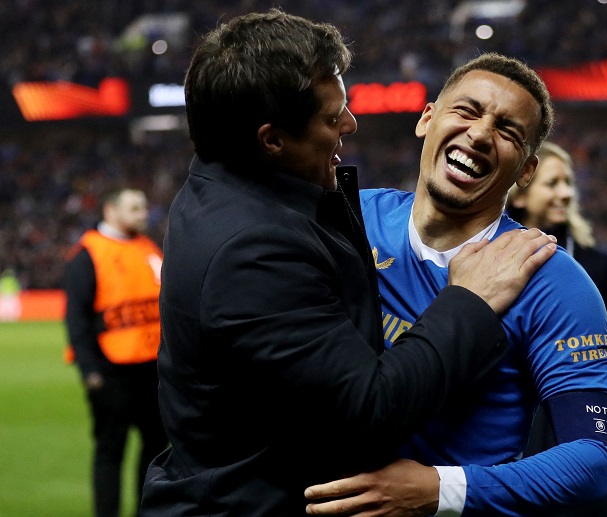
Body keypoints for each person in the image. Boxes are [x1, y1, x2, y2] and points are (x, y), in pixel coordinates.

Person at [139, 10, 557, 517]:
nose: (350, 124)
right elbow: (370, 409)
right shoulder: (254, 250)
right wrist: (469, 300)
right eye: (331, 116)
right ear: (272, 139)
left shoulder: (216, 188)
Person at [304, 53, 607, 515]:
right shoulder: (348, 219)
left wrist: (440, 490)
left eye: (508, 131)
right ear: (426, 119)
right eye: (467, 111)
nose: (479, 134)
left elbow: (596, 458)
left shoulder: (551, 281)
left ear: (526, 171)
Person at [506, 141, 607, 517]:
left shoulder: (597, 267)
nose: (565, 193)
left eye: (568, 183)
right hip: (510, 436)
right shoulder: (489, 260)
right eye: (552, 183)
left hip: (577, 432)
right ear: (519, 193)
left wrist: (591, 398)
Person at [63, 187, 168, 517]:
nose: (143, 213)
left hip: (153, 370)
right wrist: (90, 371)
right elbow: (77, 319)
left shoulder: (148, 248)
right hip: (112, 372)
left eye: (144, 207)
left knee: (156, 451)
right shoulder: (88, 254)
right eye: (135, 208)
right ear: (110, 211)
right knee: (111, 452)